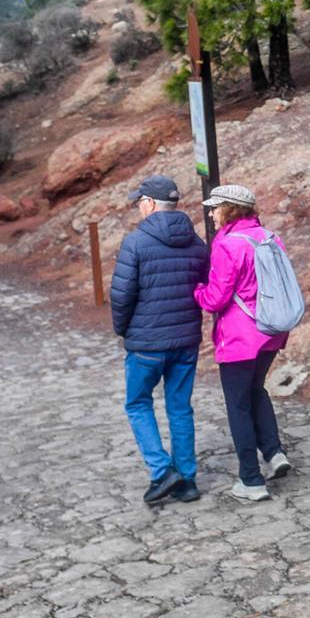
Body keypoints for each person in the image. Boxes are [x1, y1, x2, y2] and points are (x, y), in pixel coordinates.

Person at [110, 176, 209, 505]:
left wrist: (124, 330)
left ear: (150, 204)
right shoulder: (197, 243)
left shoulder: (136, 242)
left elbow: (121, 296)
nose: (139, 207)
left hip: (147, 344)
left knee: (138, 404)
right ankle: (188, 480)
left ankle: (162, 471)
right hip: (185, 342)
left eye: (140, 202)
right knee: (180, 408)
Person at [195, 184, 292, 502]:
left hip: (240, 337)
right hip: (271, 331)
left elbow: (216, 298)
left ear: (230, 209)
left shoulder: (228, 245)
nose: (210, 213)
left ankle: (251, 479)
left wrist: (195, 291)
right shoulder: (269, 237)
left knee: (238, 405)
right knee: (256, 391)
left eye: (214, 207)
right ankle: (274, 452)